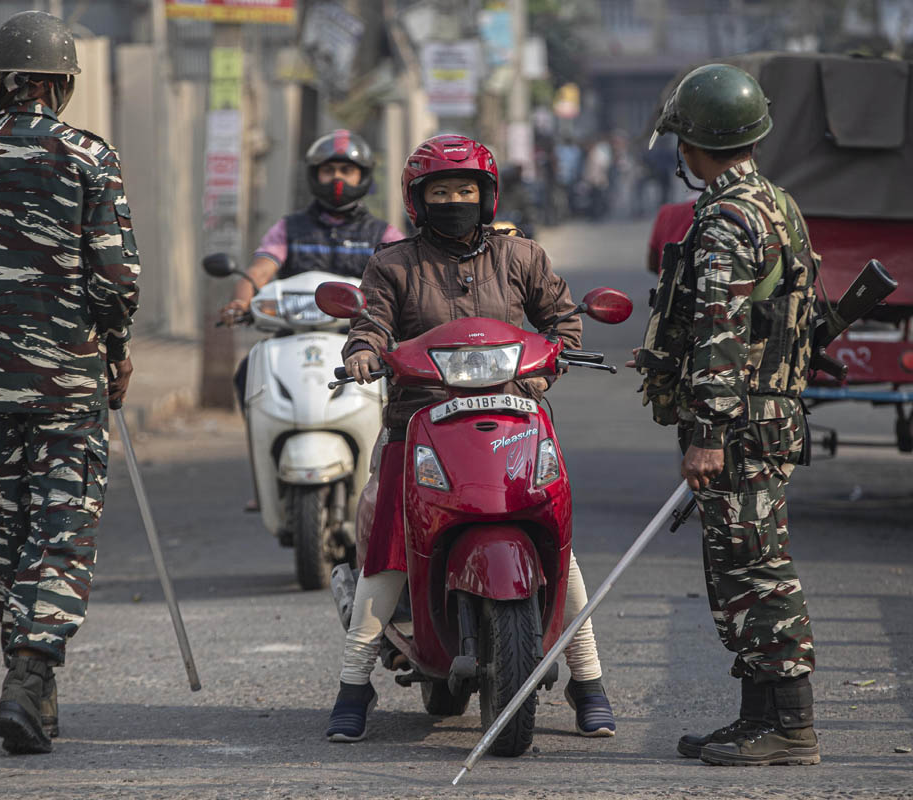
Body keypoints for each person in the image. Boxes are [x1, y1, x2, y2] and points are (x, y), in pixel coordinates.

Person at [325, 134, 616, 743]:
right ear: (418, 199)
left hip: (513, 419)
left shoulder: (523, 257)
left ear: (486, 197)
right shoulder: (393, 264)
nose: (454, 199)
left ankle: (588, 681)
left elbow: (560, 317)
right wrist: (363, 351)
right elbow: (371, 319)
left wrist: (560, 353)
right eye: (441, 191)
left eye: (465, 190)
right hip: (421, 420)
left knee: (559, 550)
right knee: (388, 555)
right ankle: (354, 686)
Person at [0, 11, 140, 754]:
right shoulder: (88, 157)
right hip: (67, 379)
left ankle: (32, 694)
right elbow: (115, 275)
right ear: (63, 82)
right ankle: (33, 668)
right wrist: (116, 349)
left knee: (9, 531)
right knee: (63, 530)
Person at [634, 64, 820, 766]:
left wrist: (708, 434)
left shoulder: (725, 216)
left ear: (694, 146)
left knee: (758, 573)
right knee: (742, 569)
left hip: (739, 424)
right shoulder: (777, 202)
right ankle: (758, 720)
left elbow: (722, 327)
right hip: (768, 412)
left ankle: (791, 727)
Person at [219, 130, 404, 411]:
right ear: (314, 175)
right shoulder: (288, 228)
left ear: (362, 176)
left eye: (346, 170)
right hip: (293, 333)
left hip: (360, 337)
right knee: (248, 373)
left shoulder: (384, 233)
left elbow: (406, 279)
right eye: (328, 170)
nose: (337, 178)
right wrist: (240, 302)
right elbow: (259, 271)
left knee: (400, 385)